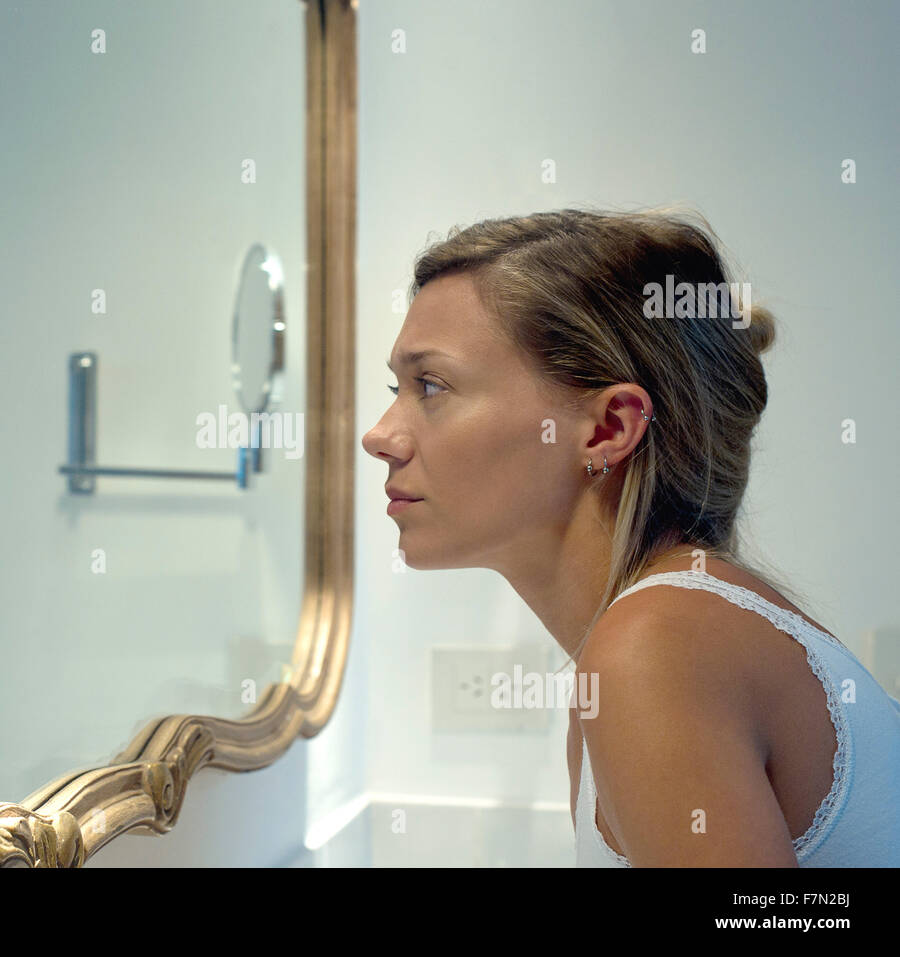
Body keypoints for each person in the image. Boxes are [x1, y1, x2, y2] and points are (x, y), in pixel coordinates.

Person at [362, 207, 900, 866]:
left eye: (431, 385)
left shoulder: (653, 649)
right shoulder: (657, 641)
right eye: (397, 387)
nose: (380, 434)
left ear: (608, 428)